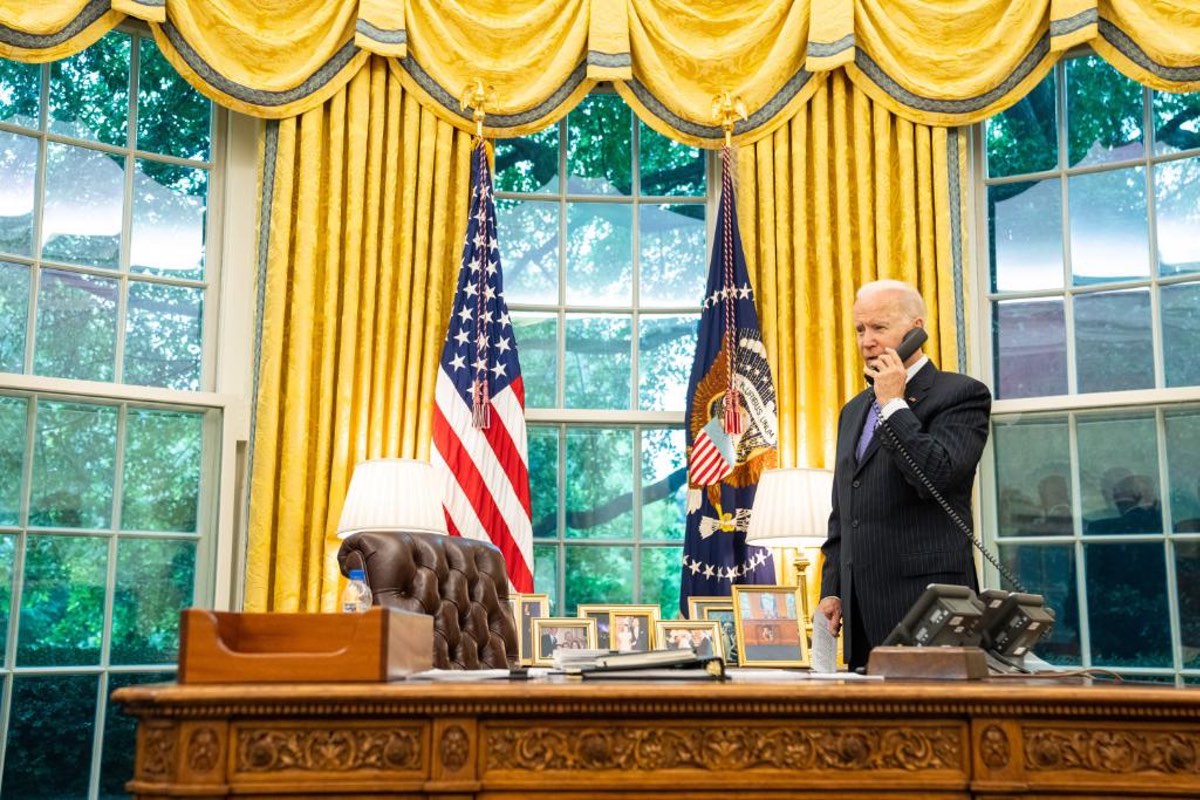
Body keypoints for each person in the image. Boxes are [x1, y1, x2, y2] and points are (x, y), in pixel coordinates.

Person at [817, 280, 992, 670]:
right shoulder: (853, 410)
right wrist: (832, 590)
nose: (866, 341)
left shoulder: (962, 394)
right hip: (861, 612)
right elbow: (844, 511)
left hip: (928, 606)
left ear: (916, 328)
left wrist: (894, 403)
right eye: (860, 330)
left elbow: (937, 476)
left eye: (879, 328)